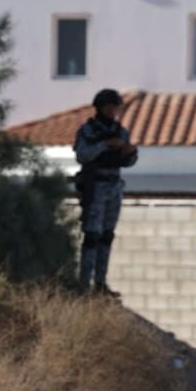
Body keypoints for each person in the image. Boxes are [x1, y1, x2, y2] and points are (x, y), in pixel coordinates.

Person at [74, 88, 138, 296]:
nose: (112, 111)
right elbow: (83, 155)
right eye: (108, 107)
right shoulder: (88, 130)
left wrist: (129, 153)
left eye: (115, 107)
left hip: (114, 184)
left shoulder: (121, 131)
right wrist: (105, 145)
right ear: (100, 108)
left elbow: (128, 161)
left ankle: (100, 283)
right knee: (92, 235)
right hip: (95, 185)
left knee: (107, 235)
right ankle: (84, 284)